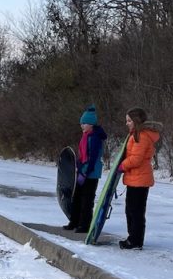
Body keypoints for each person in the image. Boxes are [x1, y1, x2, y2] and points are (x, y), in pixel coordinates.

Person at [117, 108, 163, 249]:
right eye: (126, 121)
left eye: (129, 121)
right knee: (131, 210)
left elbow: (136, 159)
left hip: (139, 180)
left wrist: (122, 166)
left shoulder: (141, 137)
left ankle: (135, 240)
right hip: (135, 179)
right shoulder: (136, 135)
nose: (127, 123)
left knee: (135, 211)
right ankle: (133, 238)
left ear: (136, 121)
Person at [63, 104, 107, 234]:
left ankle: (84, 225)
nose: (82, 126)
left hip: (91, 173)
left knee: (87, 199)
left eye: (84, 123)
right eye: (81, 124)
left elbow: (93, 157)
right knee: (76, 197)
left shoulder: (95, 138)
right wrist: (77, 165)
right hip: (82, 172)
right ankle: (74, 221)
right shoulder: (86, 136)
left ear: (91, 124)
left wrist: (85, 171)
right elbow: (82, 155)